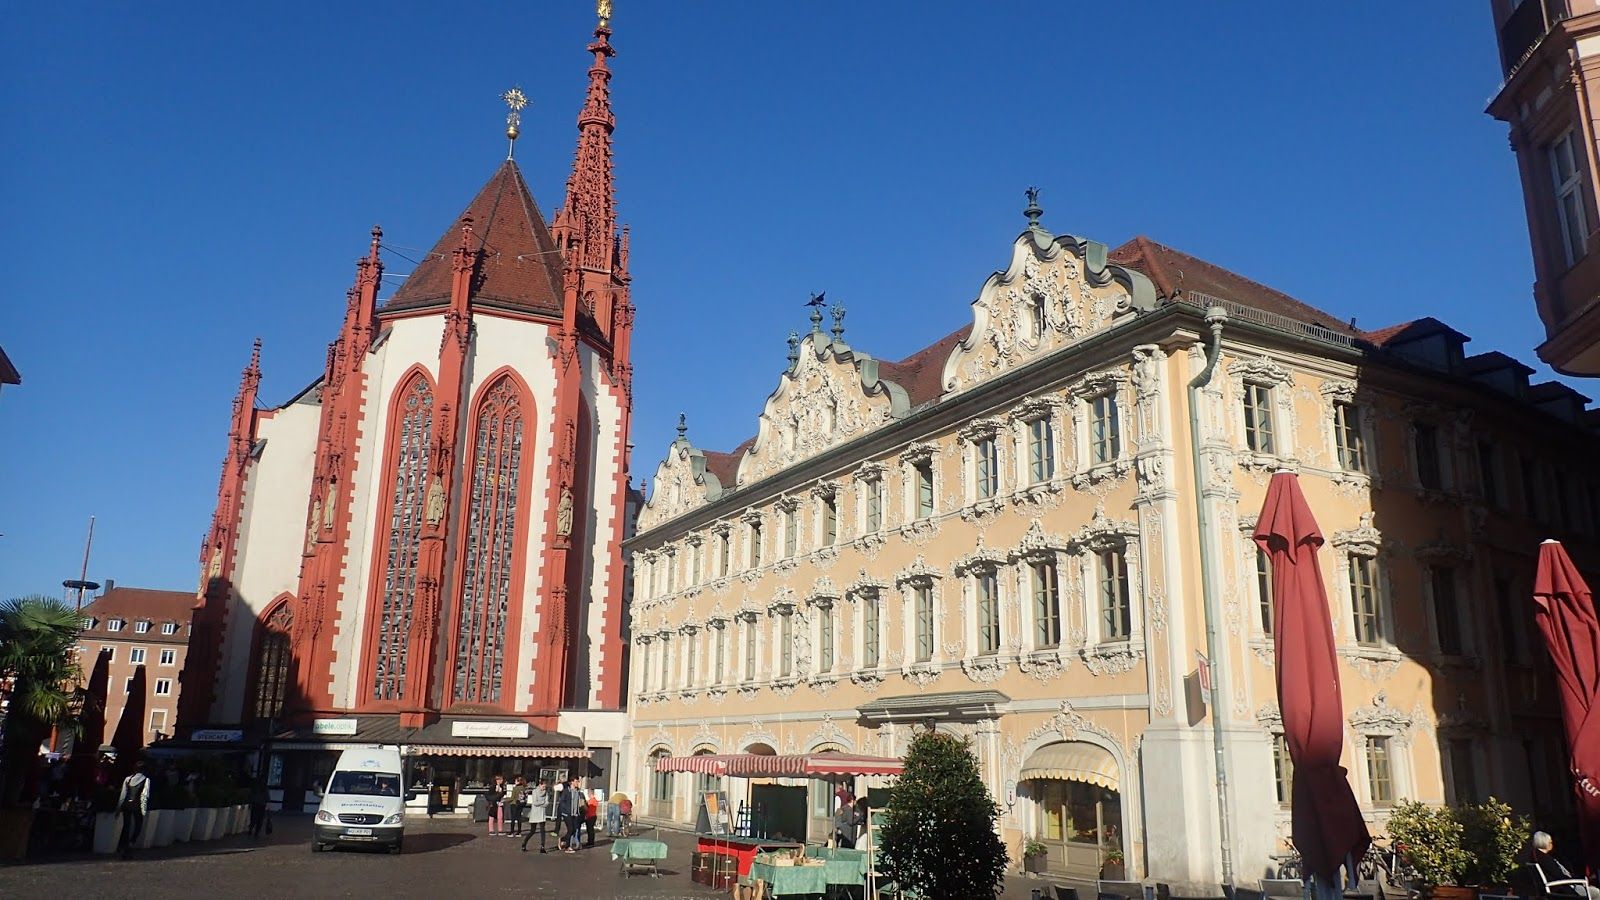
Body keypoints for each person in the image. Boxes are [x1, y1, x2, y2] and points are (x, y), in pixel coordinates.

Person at [1532, 831, 1600, 900]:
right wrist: (1580, 880)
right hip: (1564, 889)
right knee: (1596, 892)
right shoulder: (1546, 860)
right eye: (1550, 842)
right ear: (1544, 843)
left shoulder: (1538, 857)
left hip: (1560, 887)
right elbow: (1560, 875)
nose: (1552, 845)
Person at [116, 760, 151, 859]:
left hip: (126, 805)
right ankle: (131, 843)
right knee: (138, 825)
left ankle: (124, 846)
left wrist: (118, 808)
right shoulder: (146, 780)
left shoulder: (128, 779)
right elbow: (145, 795)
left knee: (126, 826)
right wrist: (144, 809)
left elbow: (123, 795)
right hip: (137, 805)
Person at [521, 778, 554, 852]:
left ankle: (542, 846)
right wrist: (542, 802)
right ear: (540, 785)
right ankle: (524, 843)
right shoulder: (535, 791)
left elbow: (547, 803)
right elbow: (535, 802)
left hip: (542, 813)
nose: (544, 788)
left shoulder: (546, 792)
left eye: (545, 787)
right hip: (535, 813)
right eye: (543, 786)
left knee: (543, 830)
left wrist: (542, 803)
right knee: (532, 830)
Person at [560, 777, 586, 853]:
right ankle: (567, 847)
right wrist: (566, 810)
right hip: (567, 814)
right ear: (571, 782)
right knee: (570, 829)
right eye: (576, 781)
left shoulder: (577, 791)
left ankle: (563, 839)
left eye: (578, 781)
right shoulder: (566, 791)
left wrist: (578, 811)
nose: (577, 783)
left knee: (574, 830)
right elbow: (562, 802)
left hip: (575, 814)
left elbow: (579, 802)